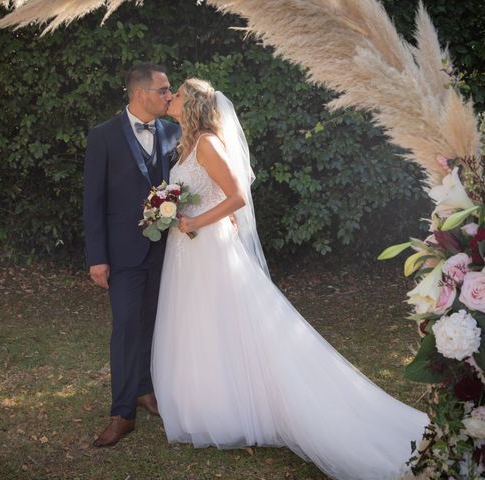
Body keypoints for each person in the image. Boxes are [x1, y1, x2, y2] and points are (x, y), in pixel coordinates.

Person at [150, 78, 429, 480]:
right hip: (189, 250)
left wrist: (194, 219)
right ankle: (213, 403)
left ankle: (248, 404)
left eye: (176, 94)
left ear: (190, 103)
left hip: (208, 247)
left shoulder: (208, 143)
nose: (170, 97)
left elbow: (237, 197)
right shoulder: (188, 144)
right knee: (203, 326)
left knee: (226, 322)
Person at [83, 63, 181, 447]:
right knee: (125, 328)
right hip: (122, 254)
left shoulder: (173, 131)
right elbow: (94, 201)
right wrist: (97, 257)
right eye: (164, 90)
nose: (169, 96)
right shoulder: (103, 136)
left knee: (154, 324)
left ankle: (144, 389)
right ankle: (122, 413)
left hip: (166, 250)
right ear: (141, 94)